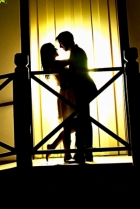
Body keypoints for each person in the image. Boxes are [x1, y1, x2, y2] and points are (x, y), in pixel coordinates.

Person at [53, 31, 97, 163]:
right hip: (83, 88)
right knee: (83, 119)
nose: (60, 47)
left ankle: (82, 152)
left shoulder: (77, 52)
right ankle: (85, 152)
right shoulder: (77, 52)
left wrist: (53, 63)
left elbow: (73, 66)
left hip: (83, 89)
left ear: (66, 41)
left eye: (61, 43)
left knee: (82, 120)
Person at [39, 43, 75, 162]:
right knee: (70, 124)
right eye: (54, 49)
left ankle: (54, 146)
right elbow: (70, 61)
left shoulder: (52, 63)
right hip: (66, 94)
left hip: (67, 93)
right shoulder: (53, 63)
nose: (57, 50)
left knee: (71, 125)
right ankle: (66, 153)